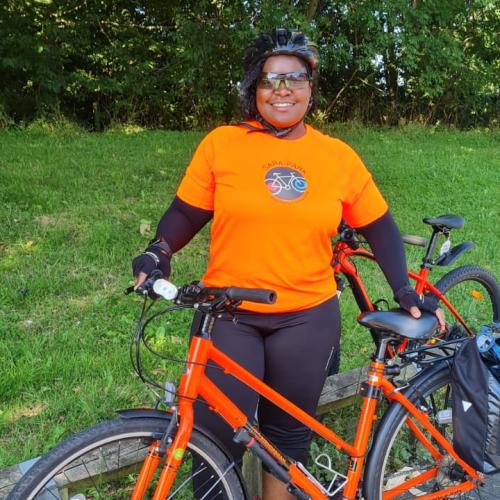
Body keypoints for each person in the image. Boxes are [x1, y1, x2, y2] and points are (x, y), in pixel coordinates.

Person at [132, 28, 445, 500]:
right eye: (269, 80)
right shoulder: (223, 144)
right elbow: (185, 212)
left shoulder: (335, 156)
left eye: (294, 78)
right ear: (252, 90)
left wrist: (403, 290)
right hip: (229, 313)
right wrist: (160, 250)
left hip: (306, 318)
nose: (282, 91)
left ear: (310, 89)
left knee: (286, 444)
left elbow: (379, 225)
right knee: (213, 444)